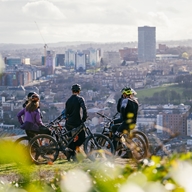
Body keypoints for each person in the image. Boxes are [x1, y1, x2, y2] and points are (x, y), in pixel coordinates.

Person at [112, 87, 139, 158]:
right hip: (133, 123)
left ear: (125, 94)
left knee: (115, 136)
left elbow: (121, 109)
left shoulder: (125, 100)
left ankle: (111, 155)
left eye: (123, 94)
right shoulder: (135, 101)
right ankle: (128, 153)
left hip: (126, 122)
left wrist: (122, 117)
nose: (122, 95)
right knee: (114, 127)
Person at [64, 84, 88, 161]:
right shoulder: (80, 99)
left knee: (71, 139)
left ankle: (71, 154)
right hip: (77, 122)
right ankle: (73, 151)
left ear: (72, 91)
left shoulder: (68, 100)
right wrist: (84, 119)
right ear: (79, 91)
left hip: (69, 123)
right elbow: (84, 109)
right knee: (82, 137)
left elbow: (66, 113)